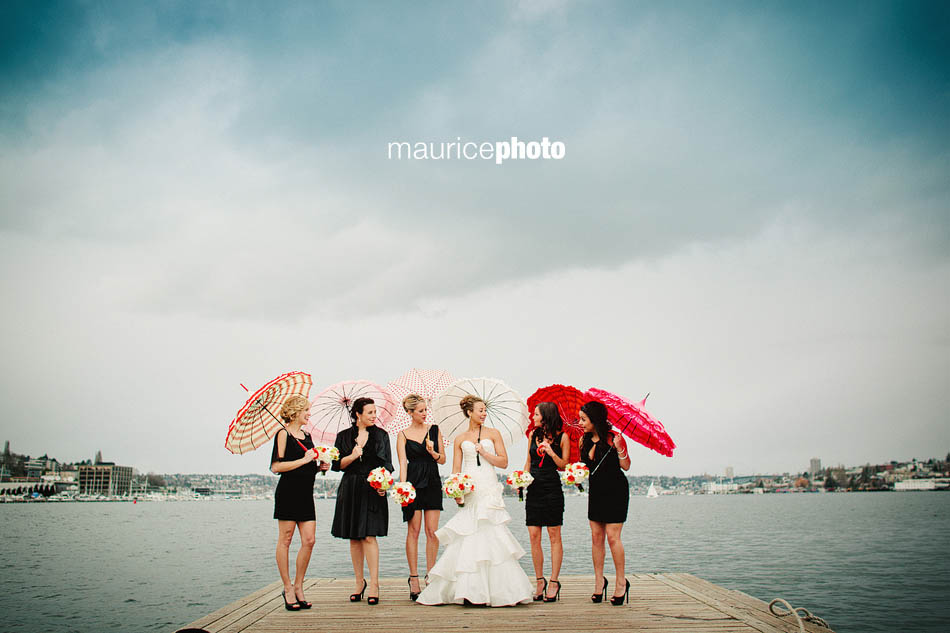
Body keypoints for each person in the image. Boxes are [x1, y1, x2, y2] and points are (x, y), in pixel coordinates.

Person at [416, 395, 534, 607]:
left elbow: (504, 462)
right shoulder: (460, 439)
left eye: (485, 410)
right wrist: (457, 491)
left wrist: (485, 452)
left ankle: (499, 591)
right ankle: (468, 590)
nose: (483, 413)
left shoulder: (494, 434)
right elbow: (455, 469)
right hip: (470, 487)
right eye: (480, 410)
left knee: (490, 530)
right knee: (469, 533)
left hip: (488, 484)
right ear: (469, 412)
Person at [331, 397, 394, 605]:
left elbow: (387, 465)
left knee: (369, 536)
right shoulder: (343, 437)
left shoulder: (382, 436)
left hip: (373, 488)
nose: (375, 416)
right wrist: (352, 455)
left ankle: (374, 583)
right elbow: (337, 465)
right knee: (354, 537)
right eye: (370, 413)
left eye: (375, 412)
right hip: (350, 487)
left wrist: (383, 485)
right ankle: (359, 582)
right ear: (358, 414)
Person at [270, 394, 329, 611]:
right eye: (306, 410)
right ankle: (287, 588)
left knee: (309, 540)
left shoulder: (307, 435)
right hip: (287, 492)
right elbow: (277, 467)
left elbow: (309, 465)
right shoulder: (282, 434)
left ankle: (298, 585)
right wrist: (304, 460)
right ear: (295, 412)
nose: (309, 414)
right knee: (285, 539)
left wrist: (319, 467)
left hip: (306, 493)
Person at [579, 400, 632, 606]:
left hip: (616, 490)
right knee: (596, 537)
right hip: (596, 491)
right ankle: (599, 581)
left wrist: (620, 449)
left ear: (595, 419)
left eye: (584, 419)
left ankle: (621, 582)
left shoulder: (614, 438)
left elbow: (626, 466)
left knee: (612, 537)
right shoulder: (583, 441)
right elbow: (584, 467)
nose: (581, 423)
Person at [396, 394, 446, 600]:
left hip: (432, 481)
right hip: (413, 483)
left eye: (426, 410)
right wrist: (403, 488)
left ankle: (431, 575)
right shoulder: (402, 434)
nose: (425, 414)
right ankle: (414, 578)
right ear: (410, 413)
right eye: (421, 411)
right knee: (414, 531)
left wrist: (433, 452)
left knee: (432, 531)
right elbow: (403, 464)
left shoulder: (434, 430)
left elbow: (443, 460)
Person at [523, 402, 571, 602]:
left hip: (551, 489)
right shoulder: (533, 435)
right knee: (534, 535)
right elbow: (528, 460)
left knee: (554, 535)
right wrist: (522, 479)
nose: (532, 417)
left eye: (535, 414)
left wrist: (551, 452)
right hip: (533, 488)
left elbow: (564, 465)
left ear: (545, 416)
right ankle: (539, 580)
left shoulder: (563, 437)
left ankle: (554, 581)